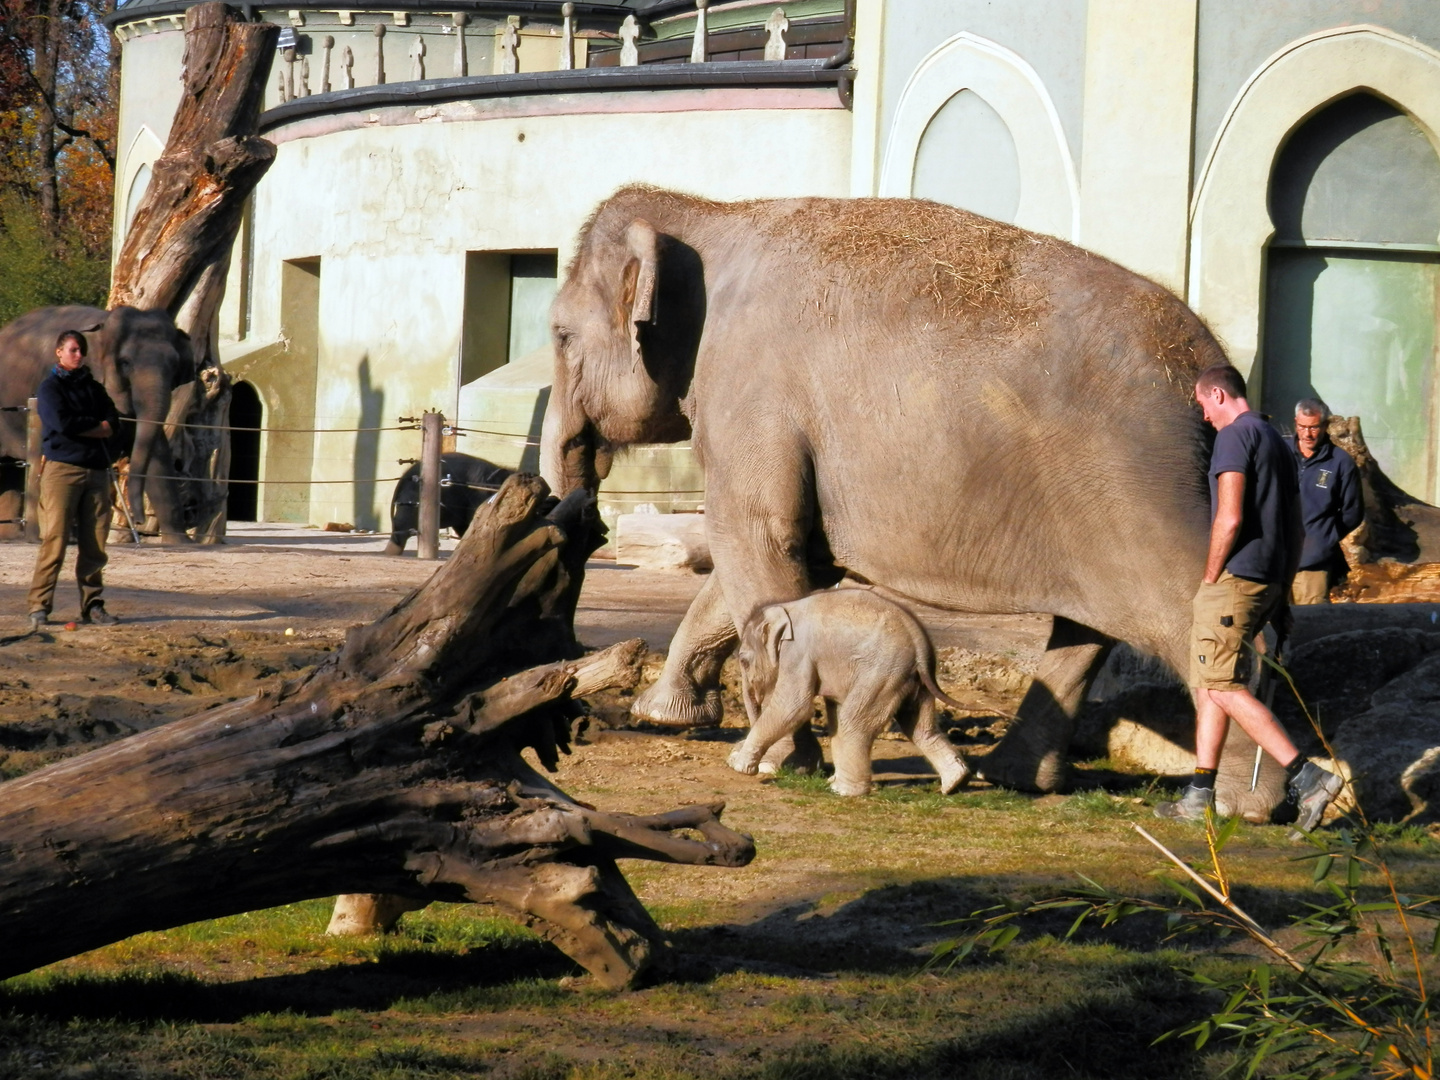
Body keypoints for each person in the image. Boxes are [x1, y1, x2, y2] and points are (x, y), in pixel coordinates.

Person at [1154, 364, 1341, 831]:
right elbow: (1297, 528)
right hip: (1269, 582)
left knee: (1220, 685)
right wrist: (1283, 594)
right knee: (1210, 682)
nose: (1203, 416)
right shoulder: (1279, 442)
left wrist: (1212, 576)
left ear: (1218, 394)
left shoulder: (1234, 437)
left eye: (1202, 405)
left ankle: (1308, 775)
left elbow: (1230, 517)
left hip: (1235, 581)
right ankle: (1199, 794)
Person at [25, 329, 122, 633]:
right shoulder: (50, 388)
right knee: (54, 539)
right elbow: (61, 424)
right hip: (62, 471)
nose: (78, 355)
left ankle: (92, 604)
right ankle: (40, 606)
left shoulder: (94, 389)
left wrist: (93, 427)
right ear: (59, 352)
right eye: (72, 350)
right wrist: (97, 427)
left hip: (96, 471)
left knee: (95, 542)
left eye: (81, 350)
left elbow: (114, 422)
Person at [1290, 398, 1363, 605]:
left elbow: (1353, 513)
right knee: (1268, 628)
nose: (1307, 434)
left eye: (1314, 427)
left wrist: (1326, 536)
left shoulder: (1341, 462)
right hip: (1275, 561)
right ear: (1295, 422)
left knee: (1309, 628)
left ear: (1325, 425)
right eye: (1303, 427)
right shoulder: (1279, 452)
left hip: (1313, 565)